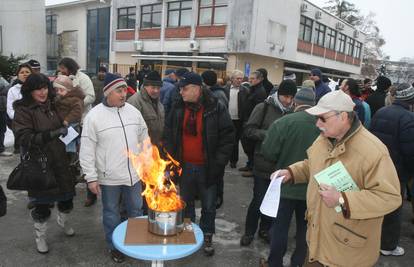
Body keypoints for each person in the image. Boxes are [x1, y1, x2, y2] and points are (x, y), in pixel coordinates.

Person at [273, 90, 401, 266]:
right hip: (316, 242)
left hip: (347, 254)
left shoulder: (374, 151)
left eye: (323, 118)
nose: (317, 123)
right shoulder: (323, 139)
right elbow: (313, 165)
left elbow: (389, 197)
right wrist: (292, 172)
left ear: (343, 117)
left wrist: (342, 199)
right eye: (316, 118)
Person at [79, 73, 148, 263]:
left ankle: (134, 241)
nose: (124, 94)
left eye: (125, 89)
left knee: (136, 210)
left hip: (134, 175)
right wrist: (91, 178)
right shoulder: (94, 117)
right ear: (108, 92)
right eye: (119, 90)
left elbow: (144, 138)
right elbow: (86, 150)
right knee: (111, 213)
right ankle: (114, 246)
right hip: (109, 177)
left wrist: (147, 163)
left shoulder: (133, 112)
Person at [164, 72, 234, 256]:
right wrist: (171, 162)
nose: (181, 93)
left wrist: (219, 163)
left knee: (209, 205)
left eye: (185, 89)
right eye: (180, 89)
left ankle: (207, 235)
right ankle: (189, 235)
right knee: (185, 204)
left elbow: (228, 137)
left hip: (208, 167)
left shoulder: (215, 108)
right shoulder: (178, 108)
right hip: (184, 166)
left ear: (197, 89)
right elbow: (169, 136)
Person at [13, 73, 76, 254]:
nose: (42, 92)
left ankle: (63, 221)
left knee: (66, 198)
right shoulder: (23, 110)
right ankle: (40, 236)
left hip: (60, 160)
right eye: (37, 89)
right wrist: (53, 134)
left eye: (45, 88)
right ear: (29, 91)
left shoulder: (52, 104)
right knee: (42, 205)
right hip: (40, 164)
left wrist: (66, 132)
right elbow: (23, 138)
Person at [260, 88, 320, 267]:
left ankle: (274, 263)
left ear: (295, 101)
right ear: (314, 104)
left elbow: (268, 152)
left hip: (284, 185)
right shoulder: (323, 125)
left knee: (280, 228)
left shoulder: (284, 122)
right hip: (311, 189)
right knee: (305, 231)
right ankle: (298, 263)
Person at [240, 80, 297, 246]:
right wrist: (271, 135)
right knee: (258, 200)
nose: (288, 100)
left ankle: (265, 230)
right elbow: (249, 130)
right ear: (279, 94)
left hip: (281, 167)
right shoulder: (263, 107)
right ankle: (249, 232)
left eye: (291, 97)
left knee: (273, 202)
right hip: (263, 163)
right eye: (285, 96)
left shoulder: (293, 111)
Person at [370, 83, 414, 257]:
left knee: (376, 203)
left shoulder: (381, 112)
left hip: (378, 167)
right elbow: (410, 151)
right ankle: (388, 246)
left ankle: (374, 239)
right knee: (394, 207)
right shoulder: (409, 118)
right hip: (397, 171)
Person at [239, 71, 267, 177]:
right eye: (250, 78)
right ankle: (249, 165)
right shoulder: (253, 89)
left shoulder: (260, 91)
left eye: (253, 78)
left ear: (259, 79)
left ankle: (253, 168)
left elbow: (258, 109)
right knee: (247, 145)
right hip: (247, 120)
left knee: (250, 146)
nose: (250, 80)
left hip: (252, 121)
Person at [127, 71, 164, 146]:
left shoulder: (159, 104)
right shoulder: (135, 102)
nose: (156, 91)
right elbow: (130, 131)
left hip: (155, 149)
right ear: (145, 86)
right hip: (142, 150)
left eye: (158, 88)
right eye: (153, 87)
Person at [53, 75, 85, 156]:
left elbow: (77, 111)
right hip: (64, 123)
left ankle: (71, 153)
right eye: (57, 90)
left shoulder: (74, 99)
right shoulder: (62, 98)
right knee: (66, 138)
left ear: (69, 90)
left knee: (70, 138)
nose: (59, 92)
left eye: (61, 90)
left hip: (71, 123)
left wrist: (67, 120)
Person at [7, 63, 32, 153]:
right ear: (18, 75)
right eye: (22, 72)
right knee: (24, 151)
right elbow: (10, 110)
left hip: (36, 124)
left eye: (27, 72)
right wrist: (21, 118)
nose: (24, 74)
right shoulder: (13, 90)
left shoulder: (36, 87)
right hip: (21, 125)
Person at [226, 70, 249, 169]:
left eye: (241, 78)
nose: (240, 80)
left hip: (239, 120)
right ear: (232, 79)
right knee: (226, 140)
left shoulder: (245, 91)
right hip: (227, 119)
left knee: (235, 141)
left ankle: (233, 161)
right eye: (237, 78)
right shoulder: (225, 89)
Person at [0, 73, 12, 156]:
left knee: (2, 128)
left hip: (2, 107)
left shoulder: (1, 79)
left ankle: (1, 149)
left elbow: (9, 88)